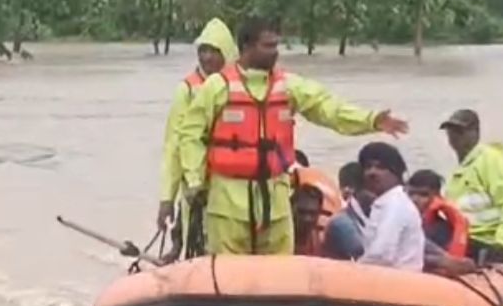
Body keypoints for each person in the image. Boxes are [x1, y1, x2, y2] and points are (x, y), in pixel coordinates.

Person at [176, 17, 409, 255]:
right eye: (268, 46)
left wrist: (371, 120)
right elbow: (190, 135)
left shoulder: (288, 86)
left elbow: (328, 109)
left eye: (276, 46)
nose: (275, 53)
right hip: (228, 203)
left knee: (279, 271)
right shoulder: (217, 87)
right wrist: (194, 181)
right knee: (227, 275)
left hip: (275, 200)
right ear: (246, 47)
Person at [156, 18, 237, 262]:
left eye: (214, 51)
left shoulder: (238, 86)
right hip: (196, 187)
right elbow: (173, 147)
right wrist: (166, 199)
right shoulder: (188, 91)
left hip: (232, 186)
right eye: (203, 51)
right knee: (197, 244)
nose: (207, 58)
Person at [439, 108, 503, 270]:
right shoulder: (460, 171)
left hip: (486, 242)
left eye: (460, 131)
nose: (454, 136)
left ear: (475, 132)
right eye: (451, 131)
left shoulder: (489, 160)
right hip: (463, 241)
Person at [357, 142, 425, 271]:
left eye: (380, 167)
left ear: (396, 173)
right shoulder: (386, 202)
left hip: (399, 283)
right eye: (368, 167)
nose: (372, 172)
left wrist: (352, 270)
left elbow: (381, 255)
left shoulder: (395, 205)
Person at [406, 170, 470, 259]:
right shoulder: (395, 219)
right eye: (411, 194)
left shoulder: (444, 230)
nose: (415, 200)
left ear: (437, 197)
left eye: (423, 195)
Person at [322, 162, 370, 261]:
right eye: (372, 190)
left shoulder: (375, 215)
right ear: (353, 190)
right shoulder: (341, 223)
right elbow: (365, 255)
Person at [291, 184, 328, 256]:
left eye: (312, 213)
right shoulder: (278, 241)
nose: (307, 218)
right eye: (301, 212)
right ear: (291, 209)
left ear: (319, 212)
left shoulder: (322, 242)